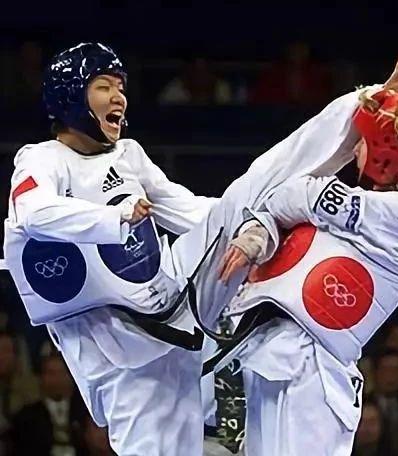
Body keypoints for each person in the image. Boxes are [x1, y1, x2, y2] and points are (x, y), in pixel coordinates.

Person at [3, 42, 279, 456]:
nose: (118, 97)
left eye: (121, 88)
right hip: (114, 345)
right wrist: (114, 218)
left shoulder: (129, 155)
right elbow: (31, 211)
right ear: (71, 97)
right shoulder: (43, 159)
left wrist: (252, 223)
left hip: (166, 320)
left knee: (247, 212)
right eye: (104, 87)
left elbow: (189, 209)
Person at [207, 9, 398, 456]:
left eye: (364, 142)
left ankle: (388, 94)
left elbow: (296, 192)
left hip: (314, 373)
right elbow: (282, 205)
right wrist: (260, 231)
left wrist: (275, 213)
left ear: (385, 157)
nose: (353, 150)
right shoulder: (359, 211)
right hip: (270, 356)